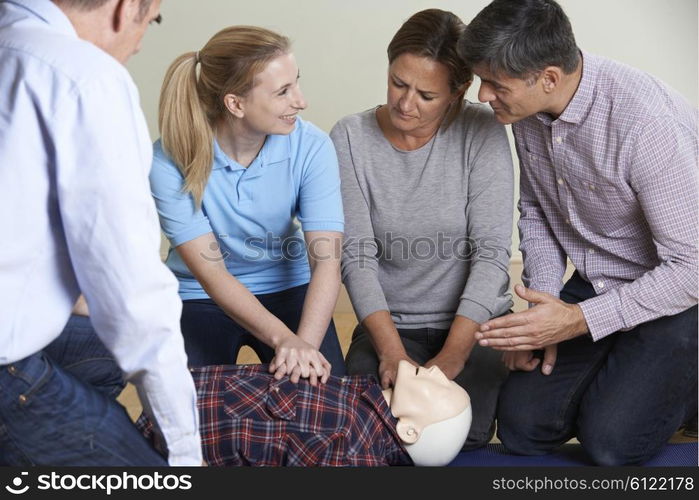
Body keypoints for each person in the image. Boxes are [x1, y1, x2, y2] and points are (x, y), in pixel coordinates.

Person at [459, 0, 698, 465]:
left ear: (548, 77)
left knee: (611, 445)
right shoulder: (525, 108)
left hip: (679, 293)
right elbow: (537, 209)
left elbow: (692, 269)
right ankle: (629, 373)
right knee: (522, 430)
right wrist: (543, 308)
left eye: (495, 84)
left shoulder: (647, 125)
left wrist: (577, 322)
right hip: (597, 284)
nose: (484, 96)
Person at [0, 0, 202, 465]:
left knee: (102, 349)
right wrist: (187, 456)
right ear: (127, 7)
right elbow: (137, 301)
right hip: (9, 372)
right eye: (151, 22)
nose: (139, 44)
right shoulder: (84, 78)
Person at [330, 8, 513, 449]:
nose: (405, 104)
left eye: (426, 95)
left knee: (459, 436)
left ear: (457, 91)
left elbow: (491, 254)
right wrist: (392, 352)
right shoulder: (349, 137)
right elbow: (356, 257)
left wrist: (454, 355)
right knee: (374, 431)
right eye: (398, 83)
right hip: (392, 326)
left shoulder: (481, 129)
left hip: (476, 326)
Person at [151, 25, 345, 382]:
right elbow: (213, 274)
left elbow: (327, 265)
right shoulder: (168, 161)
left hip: (289, 287)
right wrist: (283, 338)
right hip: (200, 295)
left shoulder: (313, 147)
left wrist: (304, 347)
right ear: (235, 103)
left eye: (296, 83)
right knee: (186, 408)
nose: (301, 101)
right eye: (283, 92)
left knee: (324, 396)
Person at [137, 360, 472, 466]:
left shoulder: (351, 449)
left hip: (169, 432)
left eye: (442, 388)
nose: (439, 373)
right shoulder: (363, 398)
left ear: (410, 431)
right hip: (179, 391)